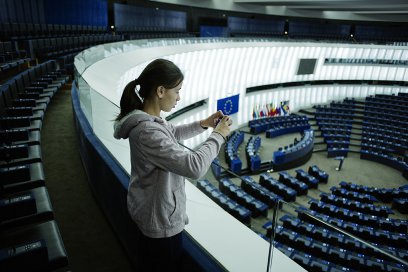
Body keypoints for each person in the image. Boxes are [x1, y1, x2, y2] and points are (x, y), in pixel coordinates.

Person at [113, 59, 232, 271]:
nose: (179, 97)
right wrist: (218, 136)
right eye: (177, 91)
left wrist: (203, 124)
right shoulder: (148, 131)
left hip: (156, 217)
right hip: (160, 227)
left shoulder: (150, 121)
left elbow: (172, 133)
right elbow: (194, 167)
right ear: (160, 91)